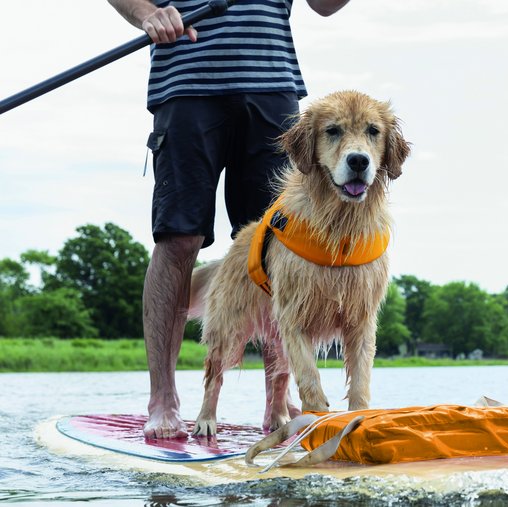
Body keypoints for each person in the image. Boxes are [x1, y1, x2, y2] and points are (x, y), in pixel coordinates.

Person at [108, 0, 350, 438]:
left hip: (271, 84)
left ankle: (277, 402)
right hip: (186, 84)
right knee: (178, 239)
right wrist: (147, 13)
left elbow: (325, 6)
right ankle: (163, 399)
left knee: (279, 247)